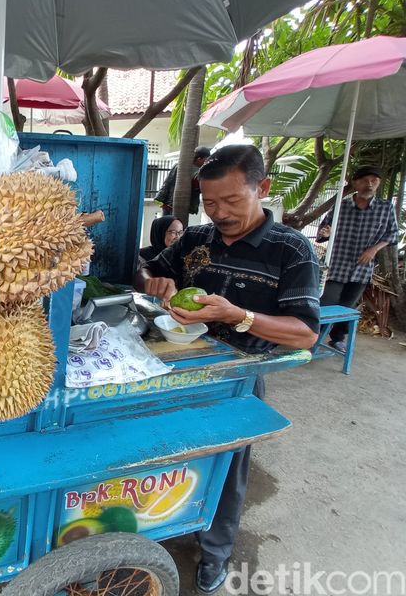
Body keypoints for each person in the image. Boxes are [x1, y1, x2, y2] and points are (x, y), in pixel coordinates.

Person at [135, 144, 320, 595]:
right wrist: (153, 279)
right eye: (211, 202)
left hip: (238, 373)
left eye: (233, 200)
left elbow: (305, 333)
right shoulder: (197, 239)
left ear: (264, 188)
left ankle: (215, 552)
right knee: (168, 453)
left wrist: (236, 315)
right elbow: (144, 269)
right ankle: (161, 526)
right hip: (180, 361)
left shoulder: (291, 250)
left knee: (228, 465)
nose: (220, 212)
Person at [316, 165, 399, 353]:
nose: (369, 184)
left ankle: (337, 339)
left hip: (362, 267)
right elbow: (323, 232)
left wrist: (373, 249)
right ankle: (314, 336)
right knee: (327, 302)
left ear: (378, 184)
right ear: (355, 183)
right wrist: (325, 232)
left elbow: (392, 235)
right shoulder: (341, 206)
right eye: (364, 180)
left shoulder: (385, 208)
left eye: (374, 181)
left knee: (347, 305)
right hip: (338, 264)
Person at [156, 146, 212, 216]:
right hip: (175, 205)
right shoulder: (196, 170)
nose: (206, 162)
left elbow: (166, 183)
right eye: (206, 160)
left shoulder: (179, 165)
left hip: (169, 204)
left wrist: (161, 200)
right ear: (199, 159)